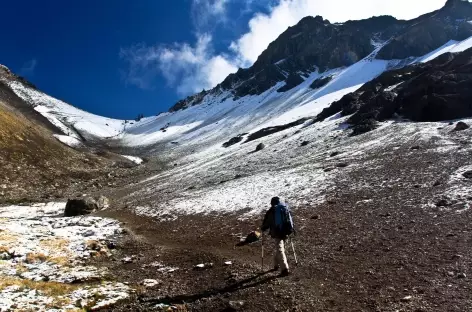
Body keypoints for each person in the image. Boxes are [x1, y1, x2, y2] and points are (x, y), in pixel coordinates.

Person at [261, 196, 293, 277]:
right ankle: (276, 265)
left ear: (272, 203)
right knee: (279, 249)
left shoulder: (272, 211)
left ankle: (284, 269)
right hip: (286, 231)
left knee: (279, 249)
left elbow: (266, 224)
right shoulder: (284, 208)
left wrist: (263, 228)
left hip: (277, 233)